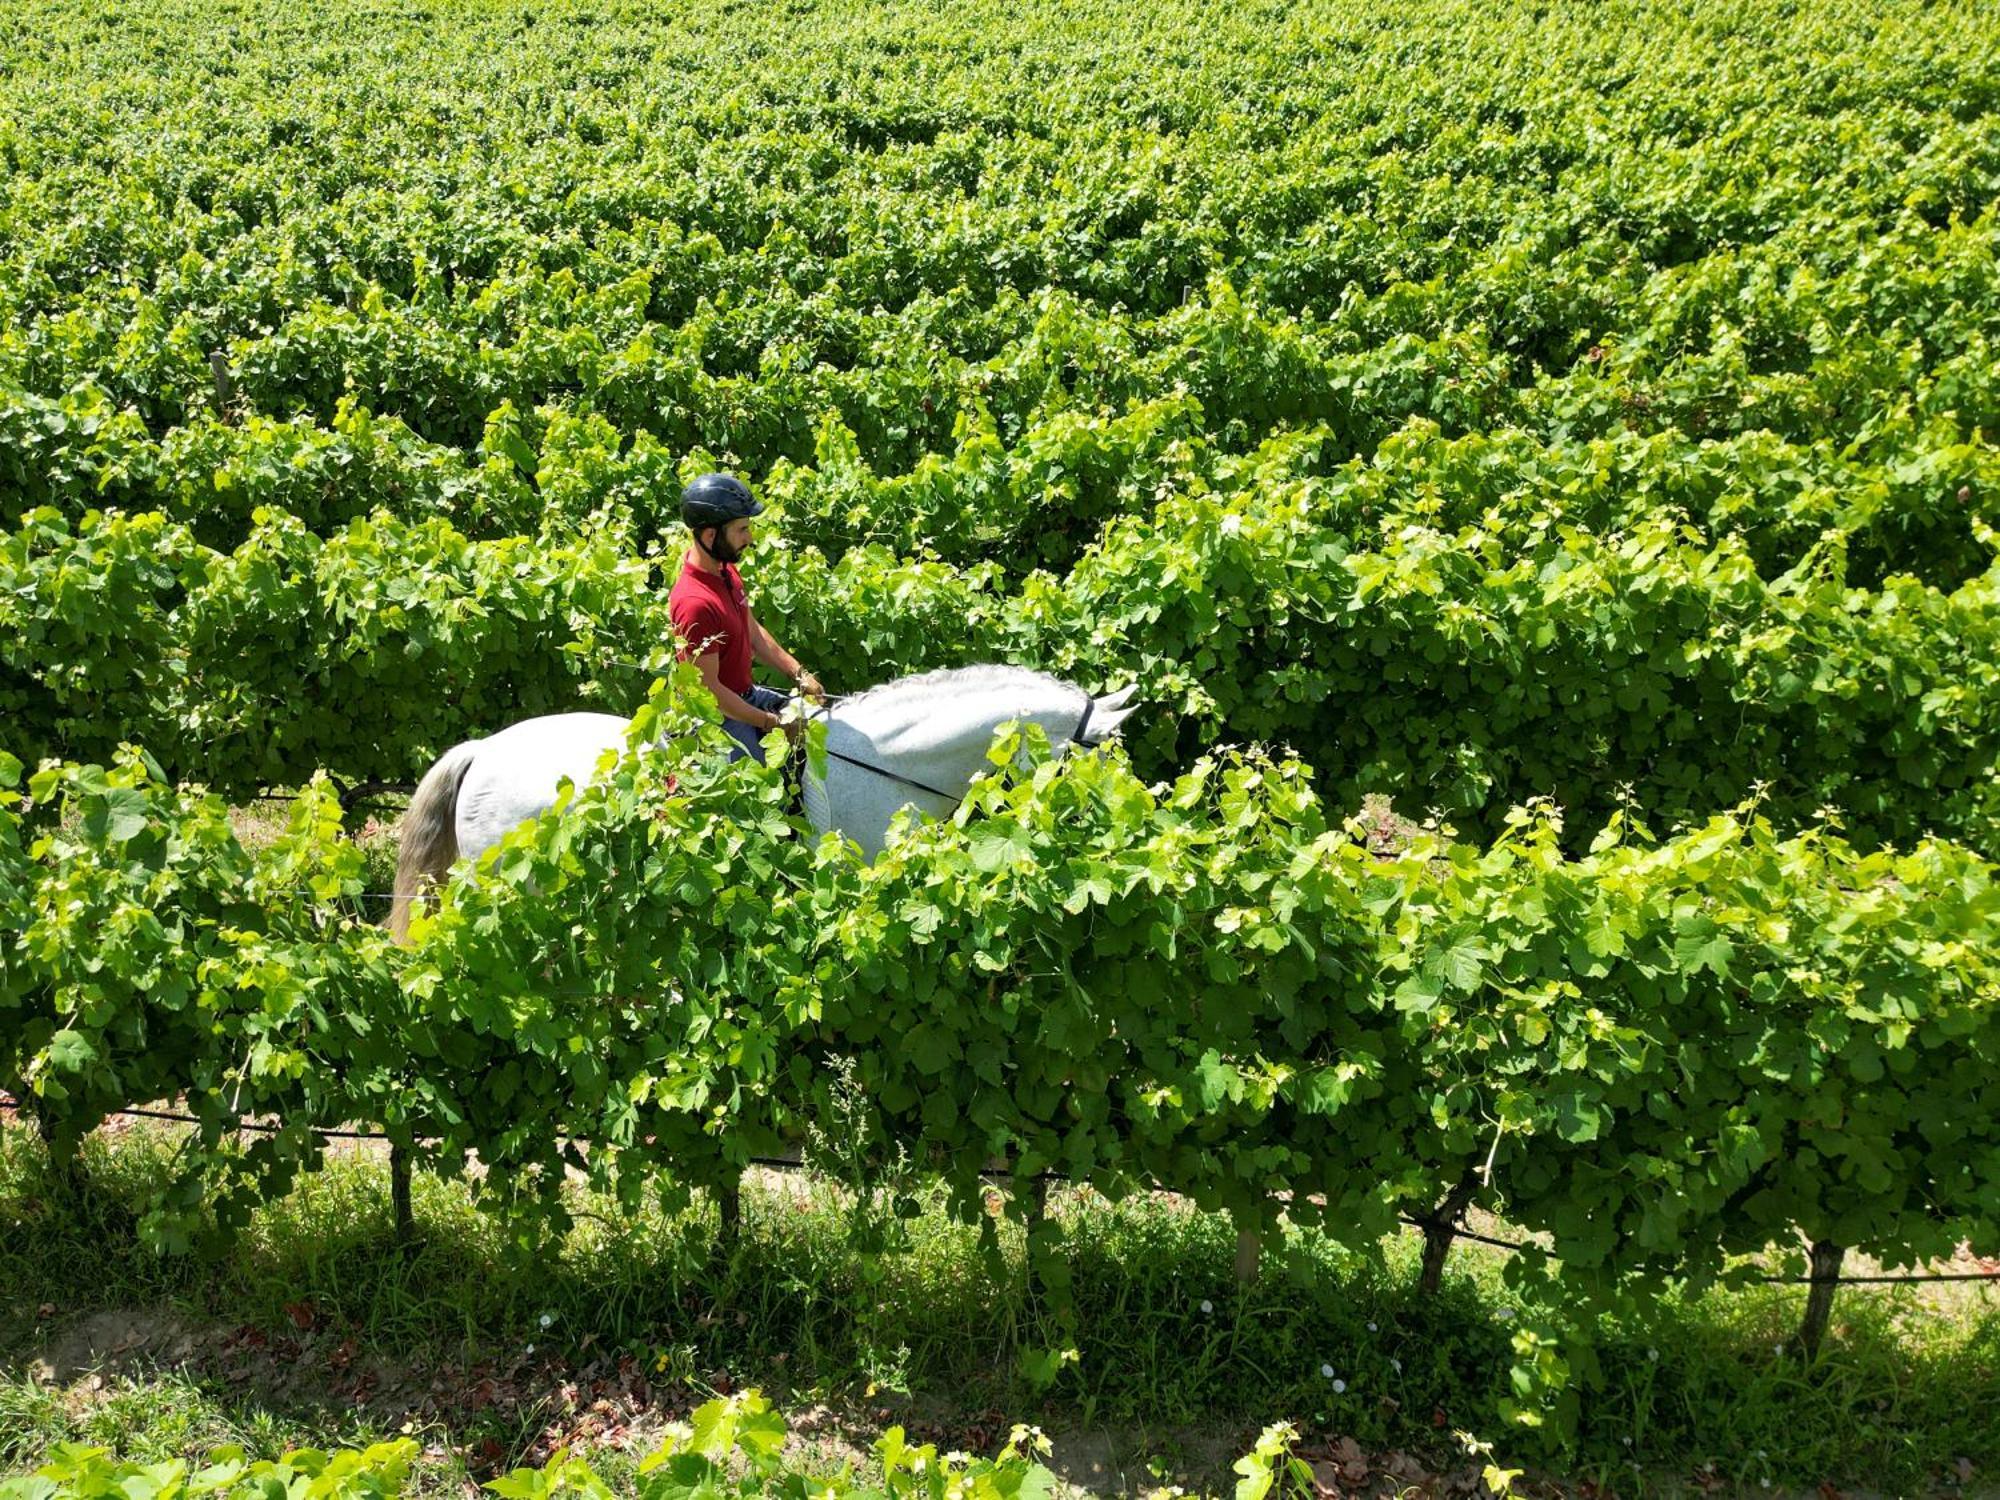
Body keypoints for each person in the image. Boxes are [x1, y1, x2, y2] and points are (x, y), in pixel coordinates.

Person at [668, 473, 825, 761]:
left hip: (745, 696)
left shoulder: (724, 571)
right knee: (771, 787)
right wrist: (772, 722)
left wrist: (798, 673)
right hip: (718, 720)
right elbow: (711, 692)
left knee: (819, 731)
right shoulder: (695, 603)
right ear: (710, 536)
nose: (749, 538)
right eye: (741, 529)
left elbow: (753, 633)